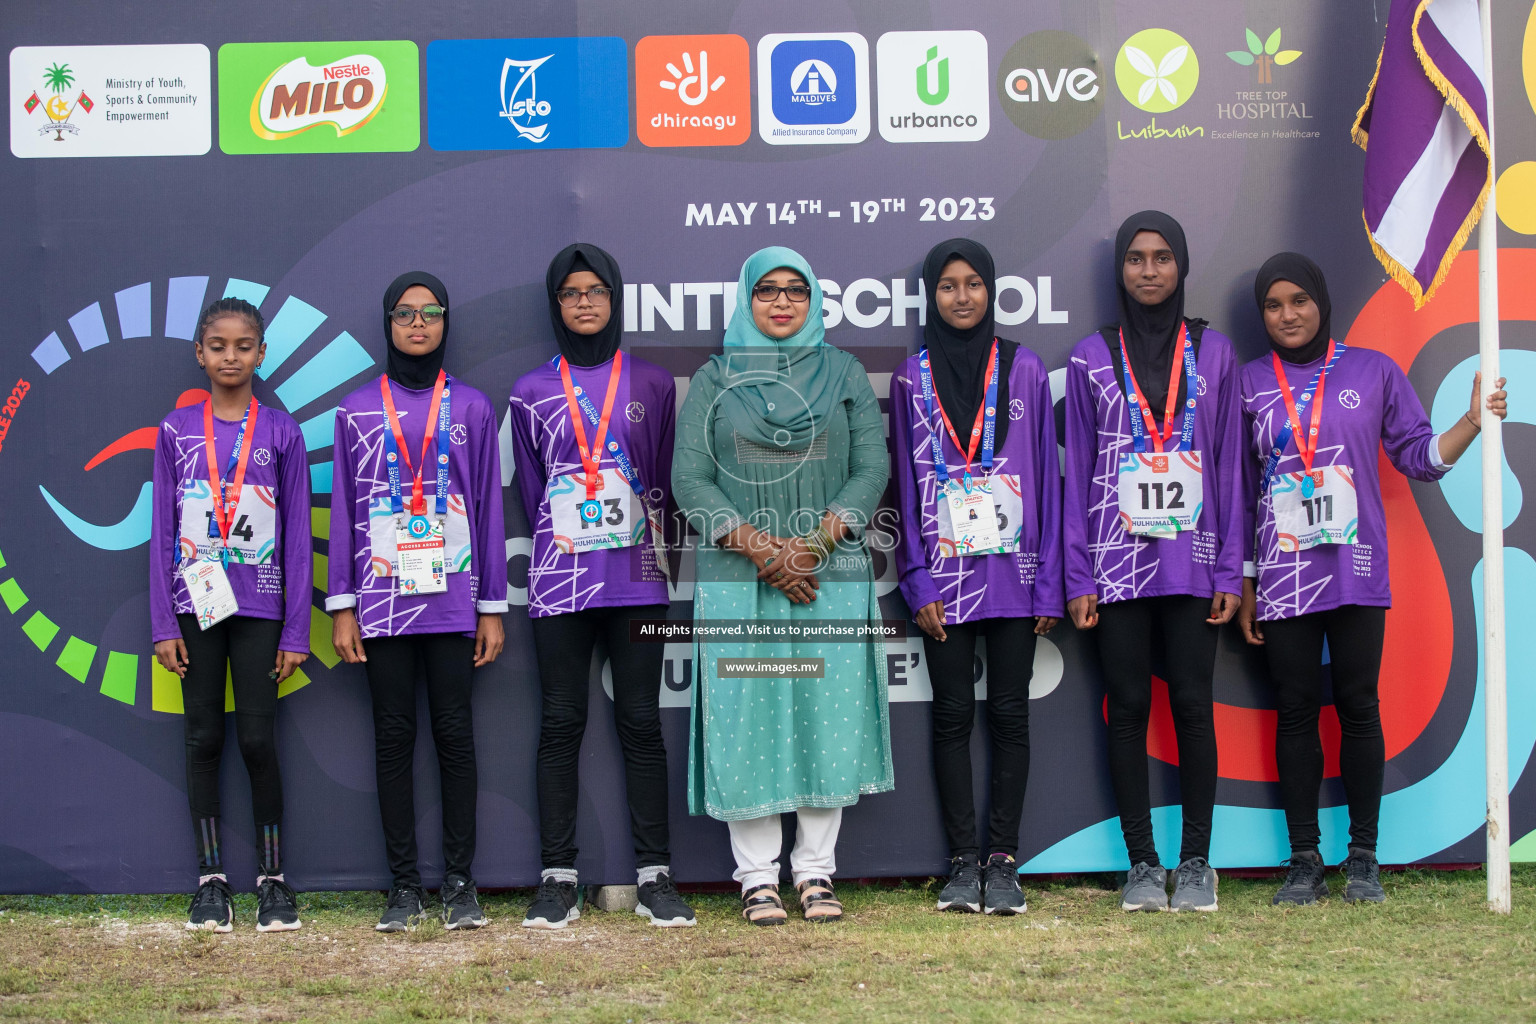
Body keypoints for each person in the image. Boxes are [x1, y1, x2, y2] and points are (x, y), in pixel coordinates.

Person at [1237, 252, 1507, 905]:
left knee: (1359, 704)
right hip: (1282, 572)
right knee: (1296, 710)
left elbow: (1418, 457)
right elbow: (1239, 489)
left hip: (1355, 567)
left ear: (1321, 301)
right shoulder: (1247, 384)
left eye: (1298, 300)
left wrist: (1471, 421)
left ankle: (1364, 858)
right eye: (1273, 305)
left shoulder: (1372, 371)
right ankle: (1305, 861)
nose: (1287, 315)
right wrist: (1244, 581)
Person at [673, 246, 893, 925]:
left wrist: (813, 549)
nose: (781, 301)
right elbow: (689, 479)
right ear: (746, 298)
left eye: (795, 290)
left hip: (828, 575)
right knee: (750, 717)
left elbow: (870, 469)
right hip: (741, 578)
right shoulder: (716, 379)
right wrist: (768, 552)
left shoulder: (845, 372)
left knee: (825, 719)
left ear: (813, 300)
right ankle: (756, 876)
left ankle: (817, 872)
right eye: (766, 289)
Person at [508, 243, 694, 930]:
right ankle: (557, 878)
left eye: (595, 292)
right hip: (561, 580)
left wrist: (654, 558)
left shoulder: (648, 383)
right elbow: (534, 491)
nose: (584, 303)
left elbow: (667, 483)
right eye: (570, 293)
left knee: (641, 723)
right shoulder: (529, 392)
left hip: (638, 578)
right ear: (556, 306)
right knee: (560, 723)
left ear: (614, 300)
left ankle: (656, 876)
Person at [1063, 212, 1244, 913]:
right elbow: (1076, 469)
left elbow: (1230, 464)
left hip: (1194, 562)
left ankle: (1197, 862)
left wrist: (1232, 569)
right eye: (1136, 258)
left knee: (1194, 707)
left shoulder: (1215, 352)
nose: (1148, 270)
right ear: (1120, 270)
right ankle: (1141, 864)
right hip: (1115, 565)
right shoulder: (1088, 357)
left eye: (1162, 257)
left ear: (1182, 265)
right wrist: (1077, 575)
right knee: (1128, 708)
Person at [327, 272, 507, 932]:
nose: (418, 323)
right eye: (405, 313)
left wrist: (492, 605)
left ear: (445, 323)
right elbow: (343, 507)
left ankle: (461, 882)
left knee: (456, 735)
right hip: (381, 599)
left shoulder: (473, 408)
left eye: (431, 312)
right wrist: (342, 604)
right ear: (388, 323)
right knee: (393, 737)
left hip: (454, 599)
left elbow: (488, 508)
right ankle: (403, 885)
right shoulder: (355, 410)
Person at [890, 239, 1063, 914]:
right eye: (948, 287)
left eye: (974, 285)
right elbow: (903, 487)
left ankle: (1003, 859)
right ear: (931, 297)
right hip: (943, 576)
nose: (962, 297)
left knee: (1011, 714)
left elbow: (1046, 479)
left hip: (1016, 576)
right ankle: (962, 862)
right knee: (953, 715)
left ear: (991, 291)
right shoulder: (913, 378)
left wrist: (1048, 580)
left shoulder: (1023, 369)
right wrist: (917, 580)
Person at [150, 297, 311, 933]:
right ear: (199, 352)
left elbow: (298, 538)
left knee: (255, 739)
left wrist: (296, 629)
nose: (230, 357)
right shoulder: (176, 430)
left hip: (261, 606)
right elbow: (161, 532)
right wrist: (164, 623)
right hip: (195, 605)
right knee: (204, 738)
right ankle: (210, 880)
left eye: (243, 346)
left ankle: (273, 881)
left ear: (261, 353)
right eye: (218, 346)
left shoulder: (281, 431)